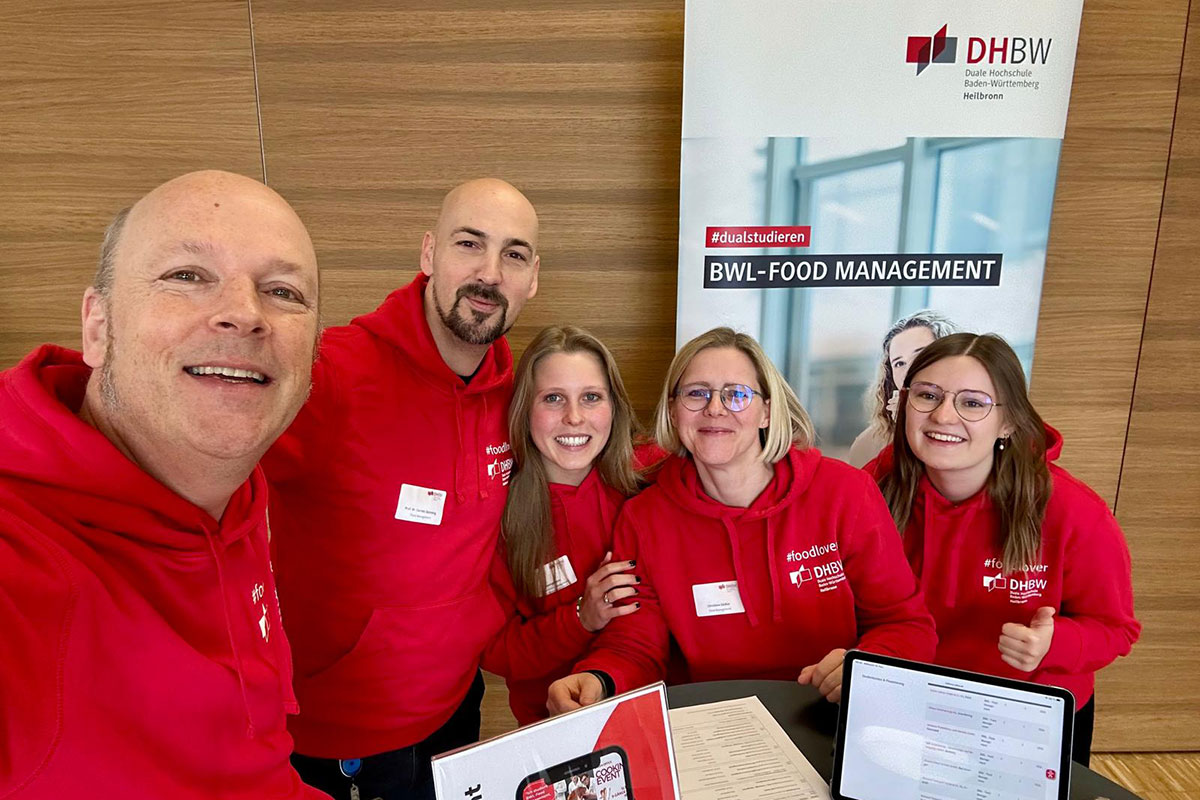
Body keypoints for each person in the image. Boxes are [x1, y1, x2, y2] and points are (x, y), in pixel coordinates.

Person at [0, 171, 326, 798]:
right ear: (98, 326)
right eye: (186, 276)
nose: (243, 313)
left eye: (282, 290)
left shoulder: (236, 495)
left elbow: (252, 761)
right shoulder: (21, 563)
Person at [262, 179, 541, 799]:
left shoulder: (516, 396)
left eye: (513, 254)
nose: (489, 274)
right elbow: (197, 466)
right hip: (336, 734)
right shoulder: (330, 373)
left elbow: (595, 453)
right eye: (470, 244)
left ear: (532, 278)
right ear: (428, 255)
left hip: (455, 712)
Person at [546, 327, 937, 713]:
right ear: (673, 410)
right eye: (697, 393)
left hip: (832, 715)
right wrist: (599, 678)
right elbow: (635, 645)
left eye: (736, 394)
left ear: (767, 411)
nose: (715, 408)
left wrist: (863, 665)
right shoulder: (644, 518)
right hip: (713, 730)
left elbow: (906, 626)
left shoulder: (844, 493)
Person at [867, 332, 1140, 765]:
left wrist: (1057, 644)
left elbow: (1117, 629)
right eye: (927, 395)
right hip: (906, 703)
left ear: (1009, 421)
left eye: (972, 403)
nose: (943, 415)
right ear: (904, 404)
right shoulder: (871, 491)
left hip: (1024, 714)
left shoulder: (1071, 511)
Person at [480, 326, 643, 726]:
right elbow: (495, 651)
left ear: (613, 406)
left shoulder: (650, 478)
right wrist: (580, 618)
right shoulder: (495, 515)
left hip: (650, 710)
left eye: (591, 397)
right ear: (524, 409)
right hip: (554, 728)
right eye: (553, 398)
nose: (574, 417)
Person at [847, 309, 955, 468]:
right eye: (899, 363)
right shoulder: (868, 445)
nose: (910, 370)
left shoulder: (980, 421)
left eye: (920, 355)